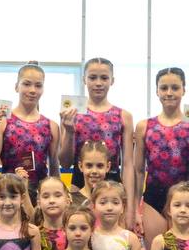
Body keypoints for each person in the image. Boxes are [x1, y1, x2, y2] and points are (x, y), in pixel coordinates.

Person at [58, 57, 137, 225]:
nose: (98, 83)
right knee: (80, 234)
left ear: (112, 80)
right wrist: (69, 131)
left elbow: (128, 164)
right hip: (80, 184)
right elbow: (64, 162)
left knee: (113, 237)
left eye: (104, 78)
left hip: (113, 186)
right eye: (93, 77)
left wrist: (130, 207)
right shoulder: (72, 113)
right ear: (84, 79)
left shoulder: (124, 116)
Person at [135, 66, 189, 249]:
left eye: (175, 88)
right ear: (157, 91)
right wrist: (135, 209)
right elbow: (138, 171)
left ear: (184, 90)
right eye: (164, 88)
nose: (169, 93)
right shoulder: (144, 126)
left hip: (185, 198)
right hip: (153, 198)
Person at [0, 61, 62, 198]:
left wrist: (59, 195)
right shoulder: (1, 123)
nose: (32, 90)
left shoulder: (51, 126)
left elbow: (54, 169)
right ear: (16, 87)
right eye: (26, 84)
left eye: (38, 85)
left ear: (43, 89)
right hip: (9, 196)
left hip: (40, 197)